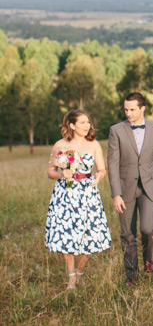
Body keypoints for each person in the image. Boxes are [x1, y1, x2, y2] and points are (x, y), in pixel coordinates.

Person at [45, 109, 111, 290]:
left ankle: (81, 273)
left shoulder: (94, 144)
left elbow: (102, 170)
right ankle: (71, 278)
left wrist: (98, 177)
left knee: (87, 234)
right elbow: (50, 171)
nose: (86, 125)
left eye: (88, 122)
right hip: (65, 195)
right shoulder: (59, 145)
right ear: (72, 125)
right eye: (82, 122)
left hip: (87, 194)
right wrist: (60, 174)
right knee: (67, 234)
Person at [107, 92, 153, 286]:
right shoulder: (116, 130)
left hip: (149, 187)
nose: (128, 113)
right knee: (128, 234)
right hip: (125, 189)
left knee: (147, 229)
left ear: (142, 108)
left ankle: (148, 258)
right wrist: (116, 194)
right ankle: (131, 276)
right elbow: (112, 164)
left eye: (132, 109)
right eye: (126, 109)